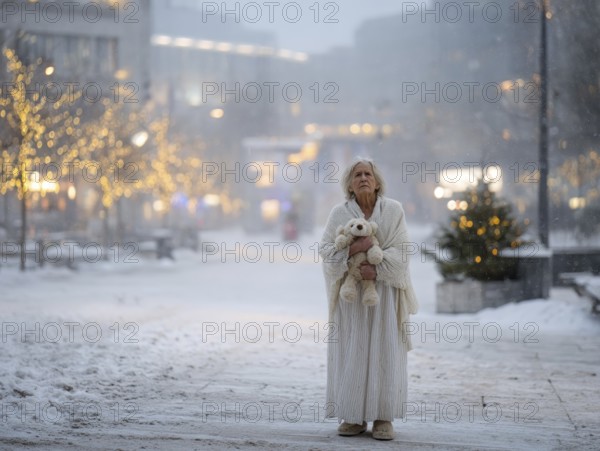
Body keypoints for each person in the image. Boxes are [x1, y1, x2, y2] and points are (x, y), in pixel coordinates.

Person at [319, 158, 418, 440]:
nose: (363, 178)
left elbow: (403, 250)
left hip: (384, 295)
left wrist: (376, 266)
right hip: (351, 299)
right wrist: (353, 252)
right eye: (357, 175)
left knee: (386, 351)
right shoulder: (339, 213)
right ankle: (353, 416)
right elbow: (326, 251)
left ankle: (384, 418)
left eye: (368, 174)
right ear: (349, 184)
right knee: (353, 350)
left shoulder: (394, 210)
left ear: (377, 182)